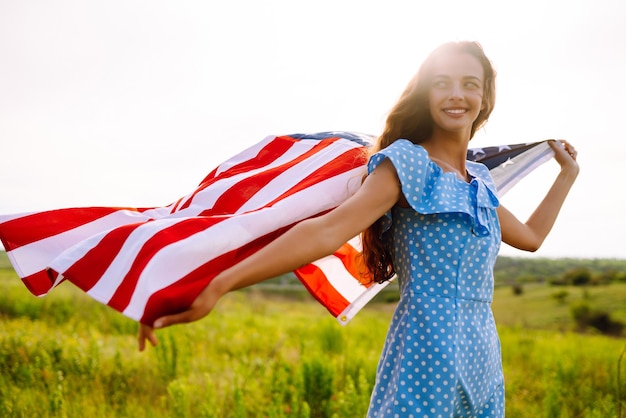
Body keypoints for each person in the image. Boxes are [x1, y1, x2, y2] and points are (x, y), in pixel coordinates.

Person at [138, 41, 579, 417]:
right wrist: (220, 284)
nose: (456, 94)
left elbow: (532, 238)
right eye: (441, 82)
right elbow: (325, 231)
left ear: (485, 97)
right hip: (425, 351)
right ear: (425, 94)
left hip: (483, 355)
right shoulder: (407, 162)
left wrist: (565, 176)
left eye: (469, 84)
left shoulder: (479, 181)